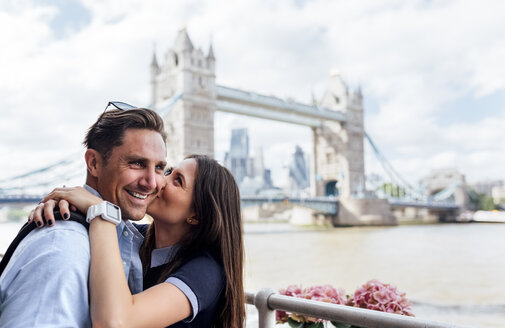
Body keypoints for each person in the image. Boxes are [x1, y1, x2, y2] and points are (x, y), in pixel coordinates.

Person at [0, 103, 168, 327]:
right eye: (137, 163)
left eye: (159, 167)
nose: (151, 182)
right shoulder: (62, 244)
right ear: (94, 163)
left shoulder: (125, 236)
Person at [34, 154, 245, 327]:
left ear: (197, 215)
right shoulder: (132, 237)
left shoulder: (205, 271)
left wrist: (101, 212)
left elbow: (116, 322)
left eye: (178, 181)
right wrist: (58, 204)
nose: (160, 181)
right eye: (169, 172)